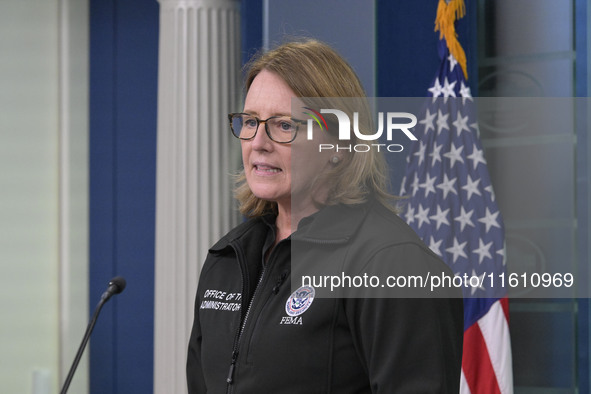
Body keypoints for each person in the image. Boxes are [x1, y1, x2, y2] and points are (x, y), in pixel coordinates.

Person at [187, 39, 463, 393]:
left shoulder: (393, 263)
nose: (258, 142)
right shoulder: (226, 259)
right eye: (250, 121)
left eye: (284, 125)